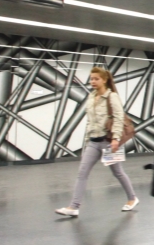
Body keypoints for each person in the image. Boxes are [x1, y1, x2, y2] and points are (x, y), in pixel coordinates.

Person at [55, 66, 140, 217]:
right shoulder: (91, 97)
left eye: (96, 79)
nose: (92, 81)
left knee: (118, 173)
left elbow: (119, 118)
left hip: (108, 141)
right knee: (82, 173)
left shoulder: (112, 97)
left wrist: (115, 139)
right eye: (91, 79)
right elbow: (90, 121)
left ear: (104, 80)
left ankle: (132, 198)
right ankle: (74, 207)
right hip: (93, 142)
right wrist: (87, 140)